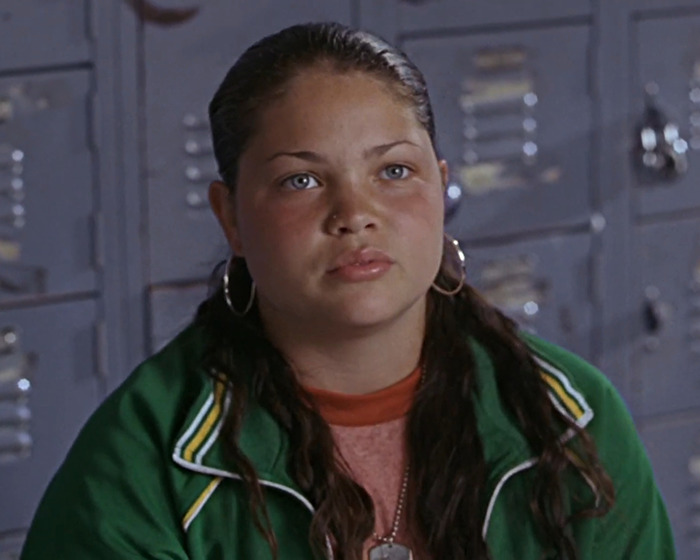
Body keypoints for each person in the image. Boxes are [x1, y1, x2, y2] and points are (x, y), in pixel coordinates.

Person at [21, 22, 674, 560]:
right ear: (230, 218)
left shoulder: (572, 420)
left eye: (394, 170)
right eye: (300, 181)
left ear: (441, 188)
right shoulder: (144, 465)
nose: (355, 213)